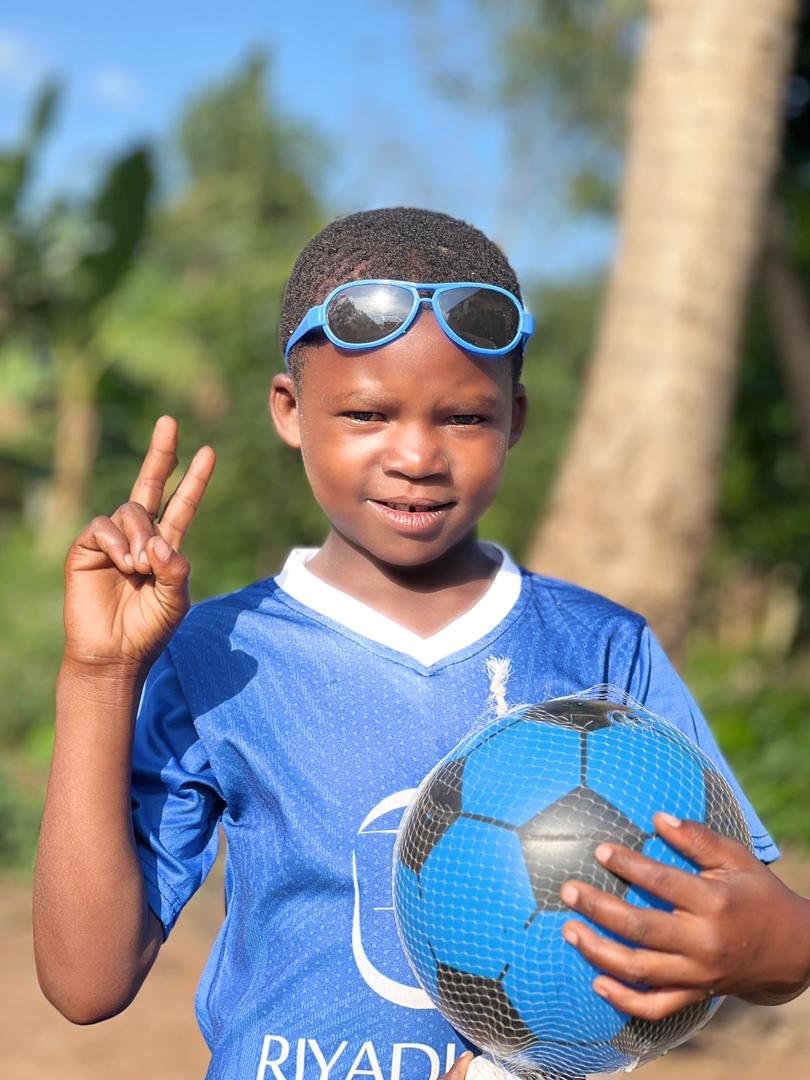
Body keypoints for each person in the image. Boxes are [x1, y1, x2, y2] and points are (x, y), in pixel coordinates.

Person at [33, 208, 810, 1080]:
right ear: (291, 411)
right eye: (366, 413)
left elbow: (763, 936)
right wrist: (99, 674)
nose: (416, 455)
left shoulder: (601, 649)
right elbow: (83, 982)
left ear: (515, 417)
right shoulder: (218, 651)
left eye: (464, 419)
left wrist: (780, 948)